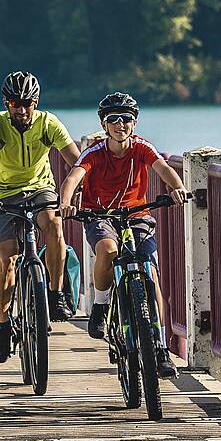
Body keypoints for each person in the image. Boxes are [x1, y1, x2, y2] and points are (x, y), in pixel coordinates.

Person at [58, 91, 189, 379]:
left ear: (135, 123)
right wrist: (66, 203)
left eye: (126, 119)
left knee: (150, 273)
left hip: (137, 215)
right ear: (104, 125)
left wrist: (176, 188)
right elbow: (74, 177)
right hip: (99, 215)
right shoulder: (94, 152)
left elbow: (163, 168)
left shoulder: (142, 148)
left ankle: (160, 346)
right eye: (113, 120)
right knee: (107, 250)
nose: (120, 125)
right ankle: (101, 305)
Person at [0, 70, 81, 364]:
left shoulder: (48, 123)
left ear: (36, 101)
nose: (22, 109)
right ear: (6, 103)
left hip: (40, 188)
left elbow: (77, 161)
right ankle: (3, 323)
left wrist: (82, 190)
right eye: (15, 103)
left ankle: (56, 294)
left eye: (28, 103)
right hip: (2, 195)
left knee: (54, 225)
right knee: (7, 258)